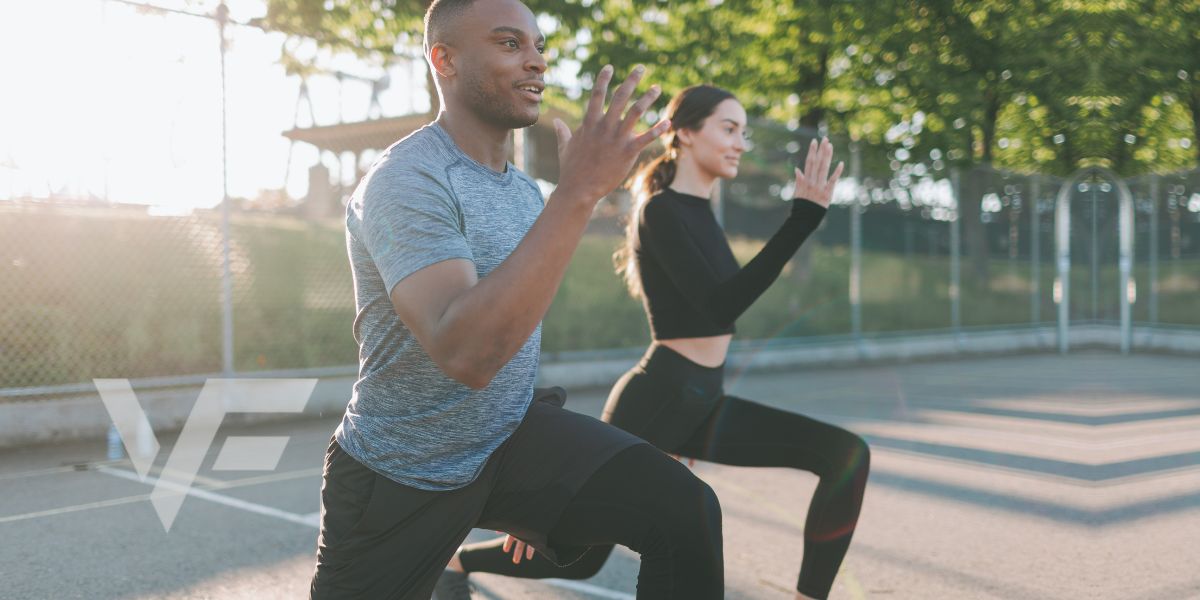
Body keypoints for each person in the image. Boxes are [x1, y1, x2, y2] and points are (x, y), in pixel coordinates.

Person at [307, 1, 727, 598]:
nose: (536, 61)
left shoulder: (526, 194)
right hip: (401, 473)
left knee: (684, 508)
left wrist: (546, 486)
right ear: (444, 59)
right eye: (509, 44)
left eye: (538, 45)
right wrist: (579, 192)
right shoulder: (405, 181)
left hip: (505, 443)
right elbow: (468, 354)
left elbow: (515, 332)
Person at [446, 85, 871, 600]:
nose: (740, 143)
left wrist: (803, 219)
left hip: (703, 400)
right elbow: (718, 307)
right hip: (658, 398)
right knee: (580, 556)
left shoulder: (701, 212)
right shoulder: (661, 211)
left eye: (744, 132)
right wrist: (801, 219)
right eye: (729, 128)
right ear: (686, 133)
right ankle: (458, 561)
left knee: (845, 455)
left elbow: (722, 305)